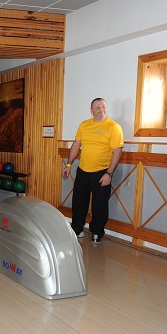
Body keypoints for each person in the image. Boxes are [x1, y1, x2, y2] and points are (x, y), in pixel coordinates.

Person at [62, 97, 123, 243]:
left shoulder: (114, 127)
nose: (101, 109)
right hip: (83, 171)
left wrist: (109, 173)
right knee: (78, 203)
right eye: (97, 107)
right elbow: (76, 145)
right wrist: (69, 165)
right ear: (91, 110)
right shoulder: (84, 125)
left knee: (99, 205)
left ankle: (97, 232)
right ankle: (77, 229)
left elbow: (117, 151)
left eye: (103, 106)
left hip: (102, 173)